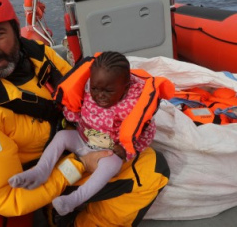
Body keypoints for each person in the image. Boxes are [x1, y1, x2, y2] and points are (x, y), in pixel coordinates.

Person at [0, 0, 172, 227]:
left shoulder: (40, 56)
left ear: (14, 29)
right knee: (153, 171)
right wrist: (80, 164)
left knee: (150, 159)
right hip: (44, 178)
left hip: (81, 140)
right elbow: (6, 198)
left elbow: (78, 92)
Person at [9, 51, 157, 216]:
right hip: (82, 139)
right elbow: (77, 108)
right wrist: (70, 114)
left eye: (108, 91)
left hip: (106, 151)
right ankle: (41, 171)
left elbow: (147, 132)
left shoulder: (133, 105)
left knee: (113, 164)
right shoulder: (88, 89)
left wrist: (128, 151)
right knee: (62, 136)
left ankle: (73, 200)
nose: (100, 95)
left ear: (126, 86)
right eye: (95, 88)